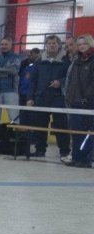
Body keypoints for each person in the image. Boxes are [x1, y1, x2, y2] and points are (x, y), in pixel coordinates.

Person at [26, 35, 70, 159]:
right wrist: (30, 98)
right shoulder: (39, 61)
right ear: (46, 45)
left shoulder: (66, 60)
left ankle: (65, 151)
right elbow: (33, 81)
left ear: (59, 45)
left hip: (59, 98)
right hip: (41, 97)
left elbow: (70, 77)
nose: (51, 45)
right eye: (49, 43)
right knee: (40, 125)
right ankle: (40, 150)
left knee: (61, 126)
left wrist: (60, 82)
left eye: (54, 43)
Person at [64, 34, 94, 168]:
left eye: (85, 44)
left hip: (88, 104)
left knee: (87, 134)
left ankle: (85, 159)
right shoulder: (77, 61)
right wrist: (70, 97)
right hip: (74, 102)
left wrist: (85, 99)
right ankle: (76, 157)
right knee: (76, 132)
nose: (82, 46)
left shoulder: (92, 60)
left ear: (90, 44)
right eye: (80, 44)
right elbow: (71, 81)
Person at [0, 36, 21, 150]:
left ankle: (15, 141)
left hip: (11, 91)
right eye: (2, 44)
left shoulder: (16, 57)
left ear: (11, 45)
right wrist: (5, 72)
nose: (4, 46)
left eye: (6, 44)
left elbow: (14, 71)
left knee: (14, 117)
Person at [18, 47, 40, 125]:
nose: (35, 57)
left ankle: (30, 134)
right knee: (23, 115)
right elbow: (21, 78)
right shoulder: (24, 65)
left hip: (32, 95)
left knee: (32, 116)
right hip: (23, 93)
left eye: (37, 56)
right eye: (33, 55)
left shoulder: (39, 66)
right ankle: (23, 135)